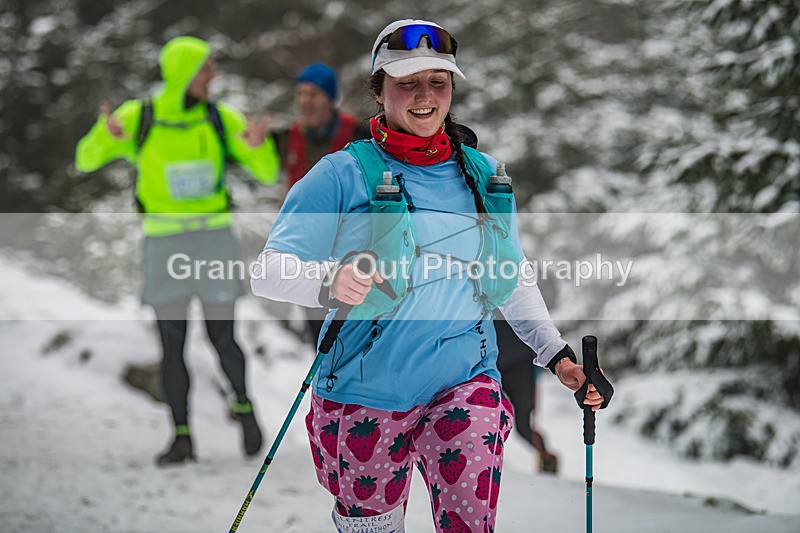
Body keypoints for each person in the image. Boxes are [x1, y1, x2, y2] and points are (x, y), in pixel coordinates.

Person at [251, 19, 607, 533]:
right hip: (366, 390)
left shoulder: (484, 175)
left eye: (437, 81)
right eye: (406, 82)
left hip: (466, 383)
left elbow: (511, 275)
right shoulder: (340, 174)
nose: (424, 95)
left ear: (452, 88)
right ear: (378, 91)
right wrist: (328, 281)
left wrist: (556, 355)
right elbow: (269, 271)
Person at [75, 36, 280, 466]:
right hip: (164, 243)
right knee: (173, 345)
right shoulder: (139, 117)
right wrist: (103, 134)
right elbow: (85, 159)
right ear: (185, 71)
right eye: (207, 68)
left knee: (223, 337)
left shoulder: (219, 118)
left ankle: (243, 406)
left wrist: (259, 145)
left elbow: (267, 171)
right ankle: (182, 436)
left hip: (213, 242)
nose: (214, 76)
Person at [271, 62, 369, 345]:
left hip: (352, 246)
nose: (304, 101)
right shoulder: (287, 137)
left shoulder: (358, 135)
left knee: (354, 331)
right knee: (320, 334)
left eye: (312, 94)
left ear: (330, 98)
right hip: (308, 249)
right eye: (300, 94)